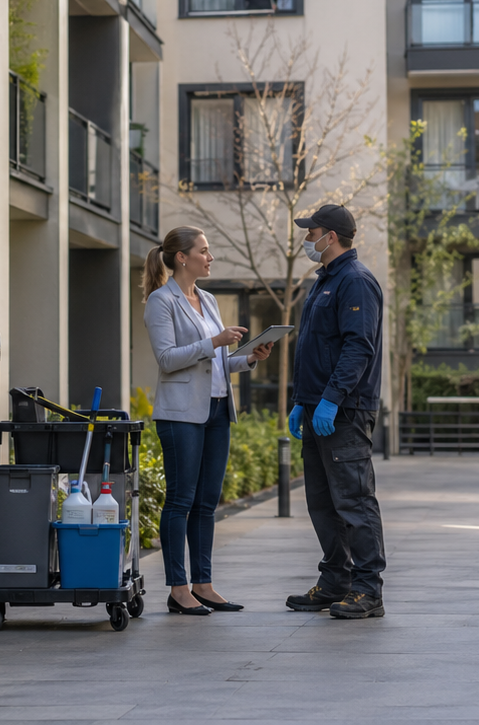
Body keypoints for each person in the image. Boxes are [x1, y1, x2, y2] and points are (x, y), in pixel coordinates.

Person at [142, 226, 273, 616]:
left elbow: (216, 363)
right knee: (181, 500)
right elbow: (167, 359)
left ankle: (204, 584)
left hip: (217, 409)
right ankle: (178, 589)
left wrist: (249, 358)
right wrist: (215, 342)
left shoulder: (209, 299)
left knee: (206, 503)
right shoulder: (160, 301)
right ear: (183, 257)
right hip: (181, 414)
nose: (210, 256)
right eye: (204, 250)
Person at [283, 204, 386, 620]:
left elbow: (358, 347)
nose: (308, 238)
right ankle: (335, 581)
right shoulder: (325, 281)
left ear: (332, 236)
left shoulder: (356, 282)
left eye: (313, 232)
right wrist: (300, 400)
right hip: (316, 409)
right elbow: (312, 349)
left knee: (354, 501)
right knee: (323, 503)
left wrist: (331, 398)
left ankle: (368, 589)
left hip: (344, 411)